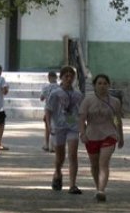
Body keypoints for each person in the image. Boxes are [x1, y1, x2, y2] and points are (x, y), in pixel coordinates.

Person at [78, 74, 124, 202]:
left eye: (105, 83)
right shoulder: (87, 100)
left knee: (103, 163)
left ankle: (102, 190)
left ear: (108, 85)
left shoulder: (115, 101)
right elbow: (81, 119)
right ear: (94, 85)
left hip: (109, 134)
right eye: (99, 83)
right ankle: (98, 187)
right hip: (92, 135)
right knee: (94, 164)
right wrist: (82, 133)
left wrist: (120, 136)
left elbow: (117, 120)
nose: (102, 86)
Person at [45, 65, 84, 194]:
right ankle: (57, 172)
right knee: (60, 156)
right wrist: (49, 125)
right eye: (66, 76)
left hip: (73, 127)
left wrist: (83, 126)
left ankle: (72, 185)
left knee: (73, 154)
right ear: (61, 77)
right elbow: (48, 110)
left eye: (71, 76)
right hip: (59, 126)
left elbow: (81, 112)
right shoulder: (55, 93)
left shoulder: (78, 94)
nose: (68, 78)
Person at [40, 71, 59, 152]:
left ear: (49, 78)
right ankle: (53, 145)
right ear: (56, 78)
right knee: (55, 126)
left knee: (48, 126)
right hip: (57, 109)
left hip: (48, 108)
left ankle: (47, 144)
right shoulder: (59, 87)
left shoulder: (46, 87)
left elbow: (41, 98)